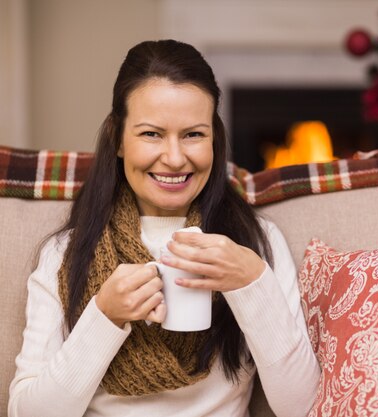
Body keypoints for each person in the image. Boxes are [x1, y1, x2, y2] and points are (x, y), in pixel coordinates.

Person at [8, 39, 320, 417]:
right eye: (151, 134)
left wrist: (251, 283)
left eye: (193, 134)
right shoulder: (67, 253)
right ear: (117, 138)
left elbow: (302, 408)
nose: (174, 159)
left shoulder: (255, 242)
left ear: (214, 140)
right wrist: (103, 317)